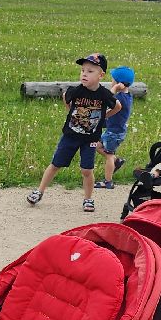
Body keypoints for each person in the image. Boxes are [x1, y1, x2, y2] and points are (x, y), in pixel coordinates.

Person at [28, 52, 116, 214]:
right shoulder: (76, 91)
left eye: (90, 71)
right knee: (55, 164)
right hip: (70, 135)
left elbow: (117, 106)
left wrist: (103, 117)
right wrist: (71, 112)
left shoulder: (104, 94)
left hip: (90, 138)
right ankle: (39, 191)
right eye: (83, 70)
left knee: (86, 170)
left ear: (101, 75)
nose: (84, 74)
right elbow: (65, 97)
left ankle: (88, 198)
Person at [97, 65, 135, 190]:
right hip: (114, 130)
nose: (111, 82)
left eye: (113, 80)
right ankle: (116, 161)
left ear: (119, 83)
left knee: (108, 154)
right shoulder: (127, 95)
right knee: (97, 146)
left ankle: (108, 181)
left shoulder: (119, 99)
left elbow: (106, 99)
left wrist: (114, 89)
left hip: (114, 132)